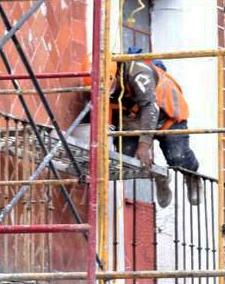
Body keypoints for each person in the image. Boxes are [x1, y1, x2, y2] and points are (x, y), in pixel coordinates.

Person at [86, 55, 201, 208]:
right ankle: (160, 175)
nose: (109, 93)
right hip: (133, 121)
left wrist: (144, 145)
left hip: (166, 115)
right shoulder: (100, 85)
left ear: (116, 75)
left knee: (177, 157)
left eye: (111, 88)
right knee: (126, 161)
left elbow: (150, 108)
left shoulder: (138, 72)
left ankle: (192, 176)